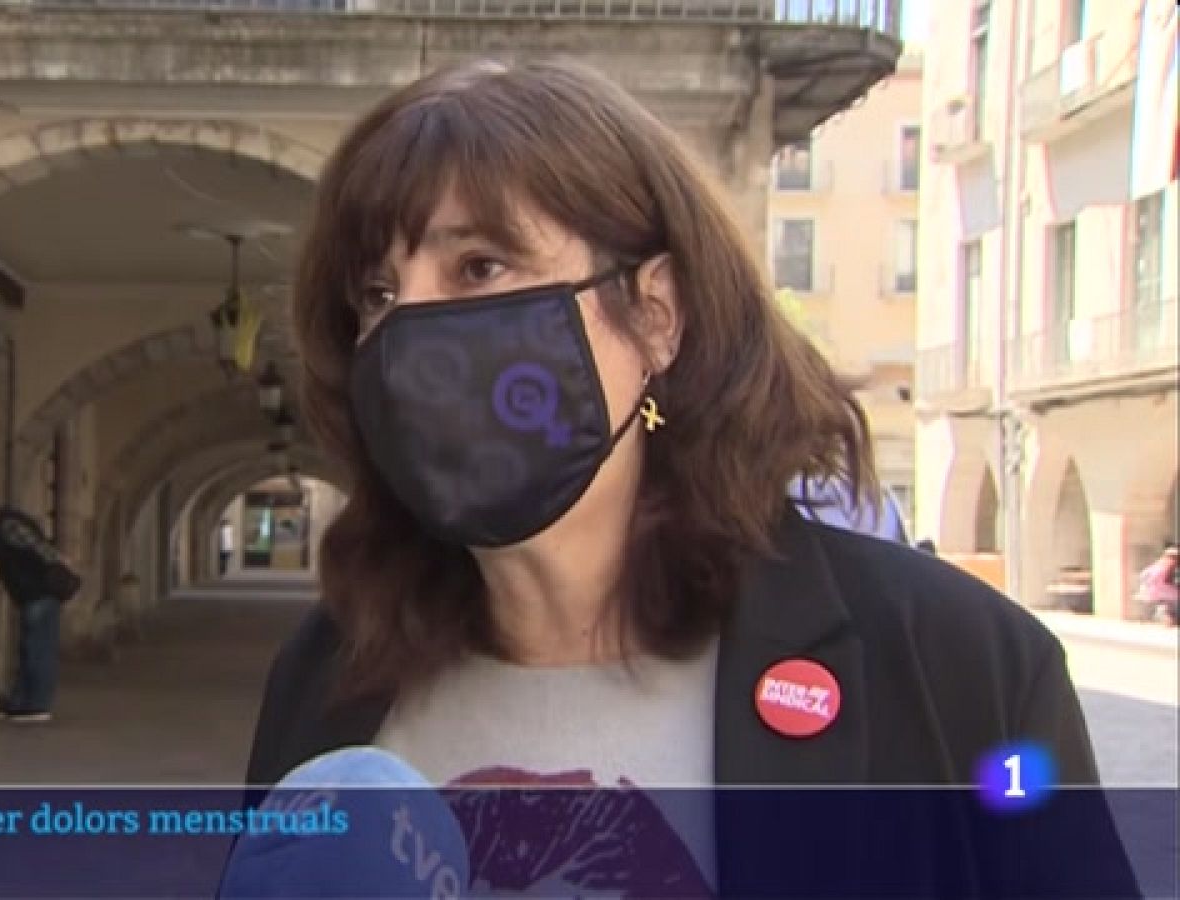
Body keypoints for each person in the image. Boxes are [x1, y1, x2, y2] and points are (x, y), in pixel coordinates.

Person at [245, 60, 1133, 896]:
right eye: (378, 296)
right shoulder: (326, 680)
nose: (413, 336)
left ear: (656, 313)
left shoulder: (954, 665)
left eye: (480, 267)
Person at [0, 499, 76, 723]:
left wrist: (60, 561)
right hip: (29, 595)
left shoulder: (9, 526)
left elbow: (37, 547)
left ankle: (38, 704)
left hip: (40, 592)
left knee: (38, 649)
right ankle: (19, 702)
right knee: (27, 650)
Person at [1137, 543, 1179, 626]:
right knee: (1175, 596)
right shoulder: (1169, 565)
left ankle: (1165, 616)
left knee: (1170, 600)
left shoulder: (1157, 564)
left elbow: (1143, 575)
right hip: (1161, 590)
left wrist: (1146, 585)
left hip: (1150, 590)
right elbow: (1168, 580)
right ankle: (1168, 618)